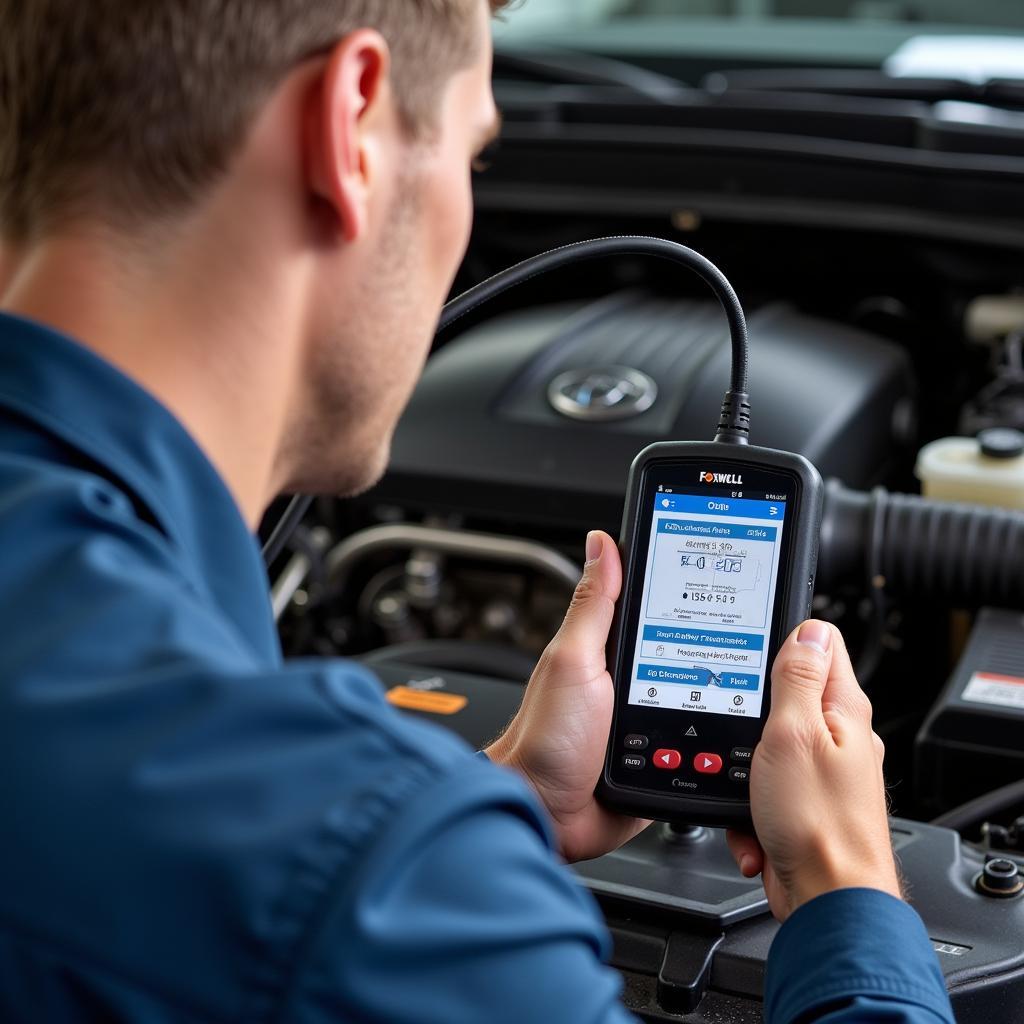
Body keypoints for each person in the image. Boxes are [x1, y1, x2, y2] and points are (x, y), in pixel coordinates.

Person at [0, 2, 955, 1021]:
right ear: (351, 126)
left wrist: (510, 805)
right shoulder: (366, 884)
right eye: (474, 154)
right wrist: (846, 890)